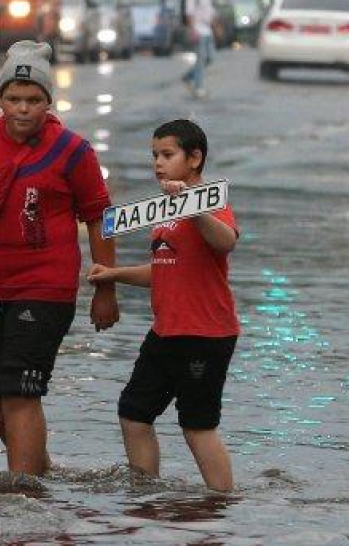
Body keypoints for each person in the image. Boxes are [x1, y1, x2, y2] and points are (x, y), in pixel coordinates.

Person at [0, 40, 117, 476]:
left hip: (46, 287)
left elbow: (100, 217)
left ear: (48, 102)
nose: (22, 109)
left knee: (21, 389)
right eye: (13, 99)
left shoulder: (74, 151)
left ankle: (22, 489)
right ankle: (36, 468)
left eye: (33, 100)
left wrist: (105, 288)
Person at [87, 119, 239, 492]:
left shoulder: (210, 202)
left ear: (195, 158)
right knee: (134, 414)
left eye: (167, 155)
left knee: (197, 426)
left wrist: (193, 210)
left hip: (205, 333)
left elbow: (226, 242)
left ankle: (222, 503)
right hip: (166, 331)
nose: (158, 163)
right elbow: (164, 270)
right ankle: (146, 494)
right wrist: (114, 273)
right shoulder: (165, 211)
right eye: (154, 155)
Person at [180, 0, 216, 99]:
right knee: (200, 60)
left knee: (210, 58)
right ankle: (198, 87)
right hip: (198, 30)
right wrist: (192, 29)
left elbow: (210, 12)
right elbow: (189, 13)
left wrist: (216, 26)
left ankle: (188, 77)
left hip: (208, 30)